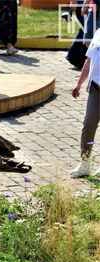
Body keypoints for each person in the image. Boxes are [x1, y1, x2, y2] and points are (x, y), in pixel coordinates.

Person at [70, 28, 100, 177]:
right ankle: (85, 163)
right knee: (88, 124)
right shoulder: (98, 33)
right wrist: (79, 83)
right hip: (95, 87)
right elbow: (88, 61)